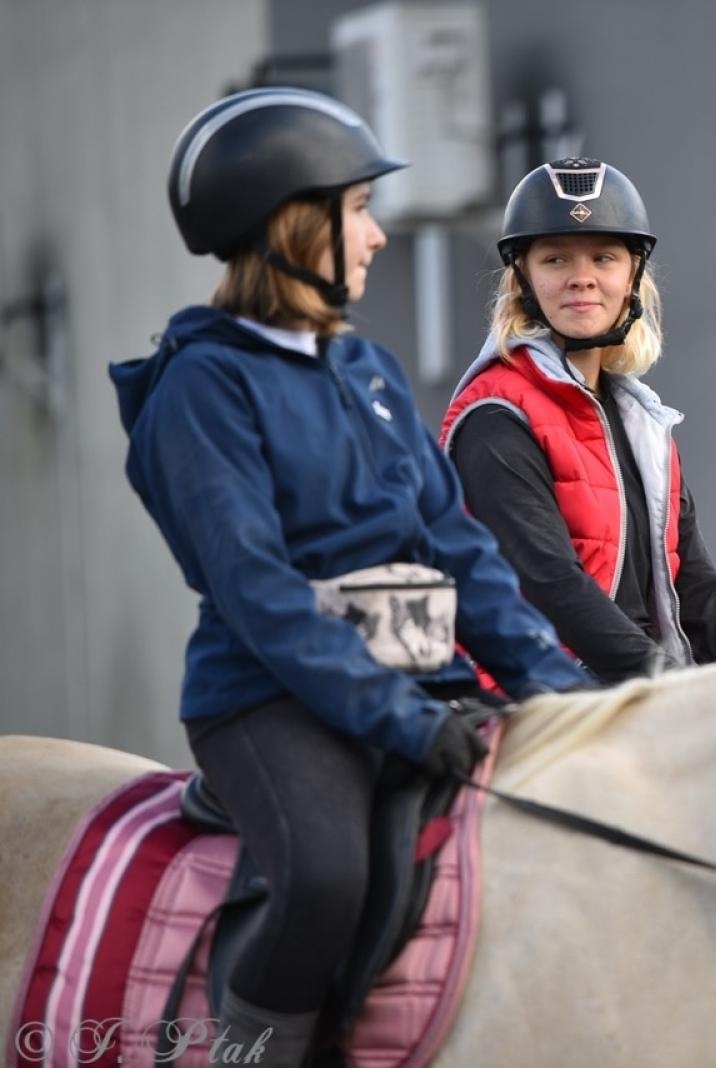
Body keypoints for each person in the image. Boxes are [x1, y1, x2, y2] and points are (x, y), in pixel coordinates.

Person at [110, 88, 591, 1067]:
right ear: (294, 222)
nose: (375, 237)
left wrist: (557, 685)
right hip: (272, 701)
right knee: (324, 877)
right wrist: (405, 723)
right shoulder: (203, 388)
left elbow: (456, 544)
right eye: (359, 210)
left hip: (419, 682)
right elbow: (258, 594)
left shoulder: (367, 368)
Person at [439, 158, 716, 683]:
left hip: (632, 691)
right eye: (556, 259)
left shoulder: (642, 423)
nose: (581, 278)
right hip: (543, 702)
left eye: (603, 257)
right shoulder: (495, 417)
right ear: (523, 277)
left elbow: (698, 585)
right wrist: (669, 685)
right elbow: (551, 583)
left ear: (632, 274)